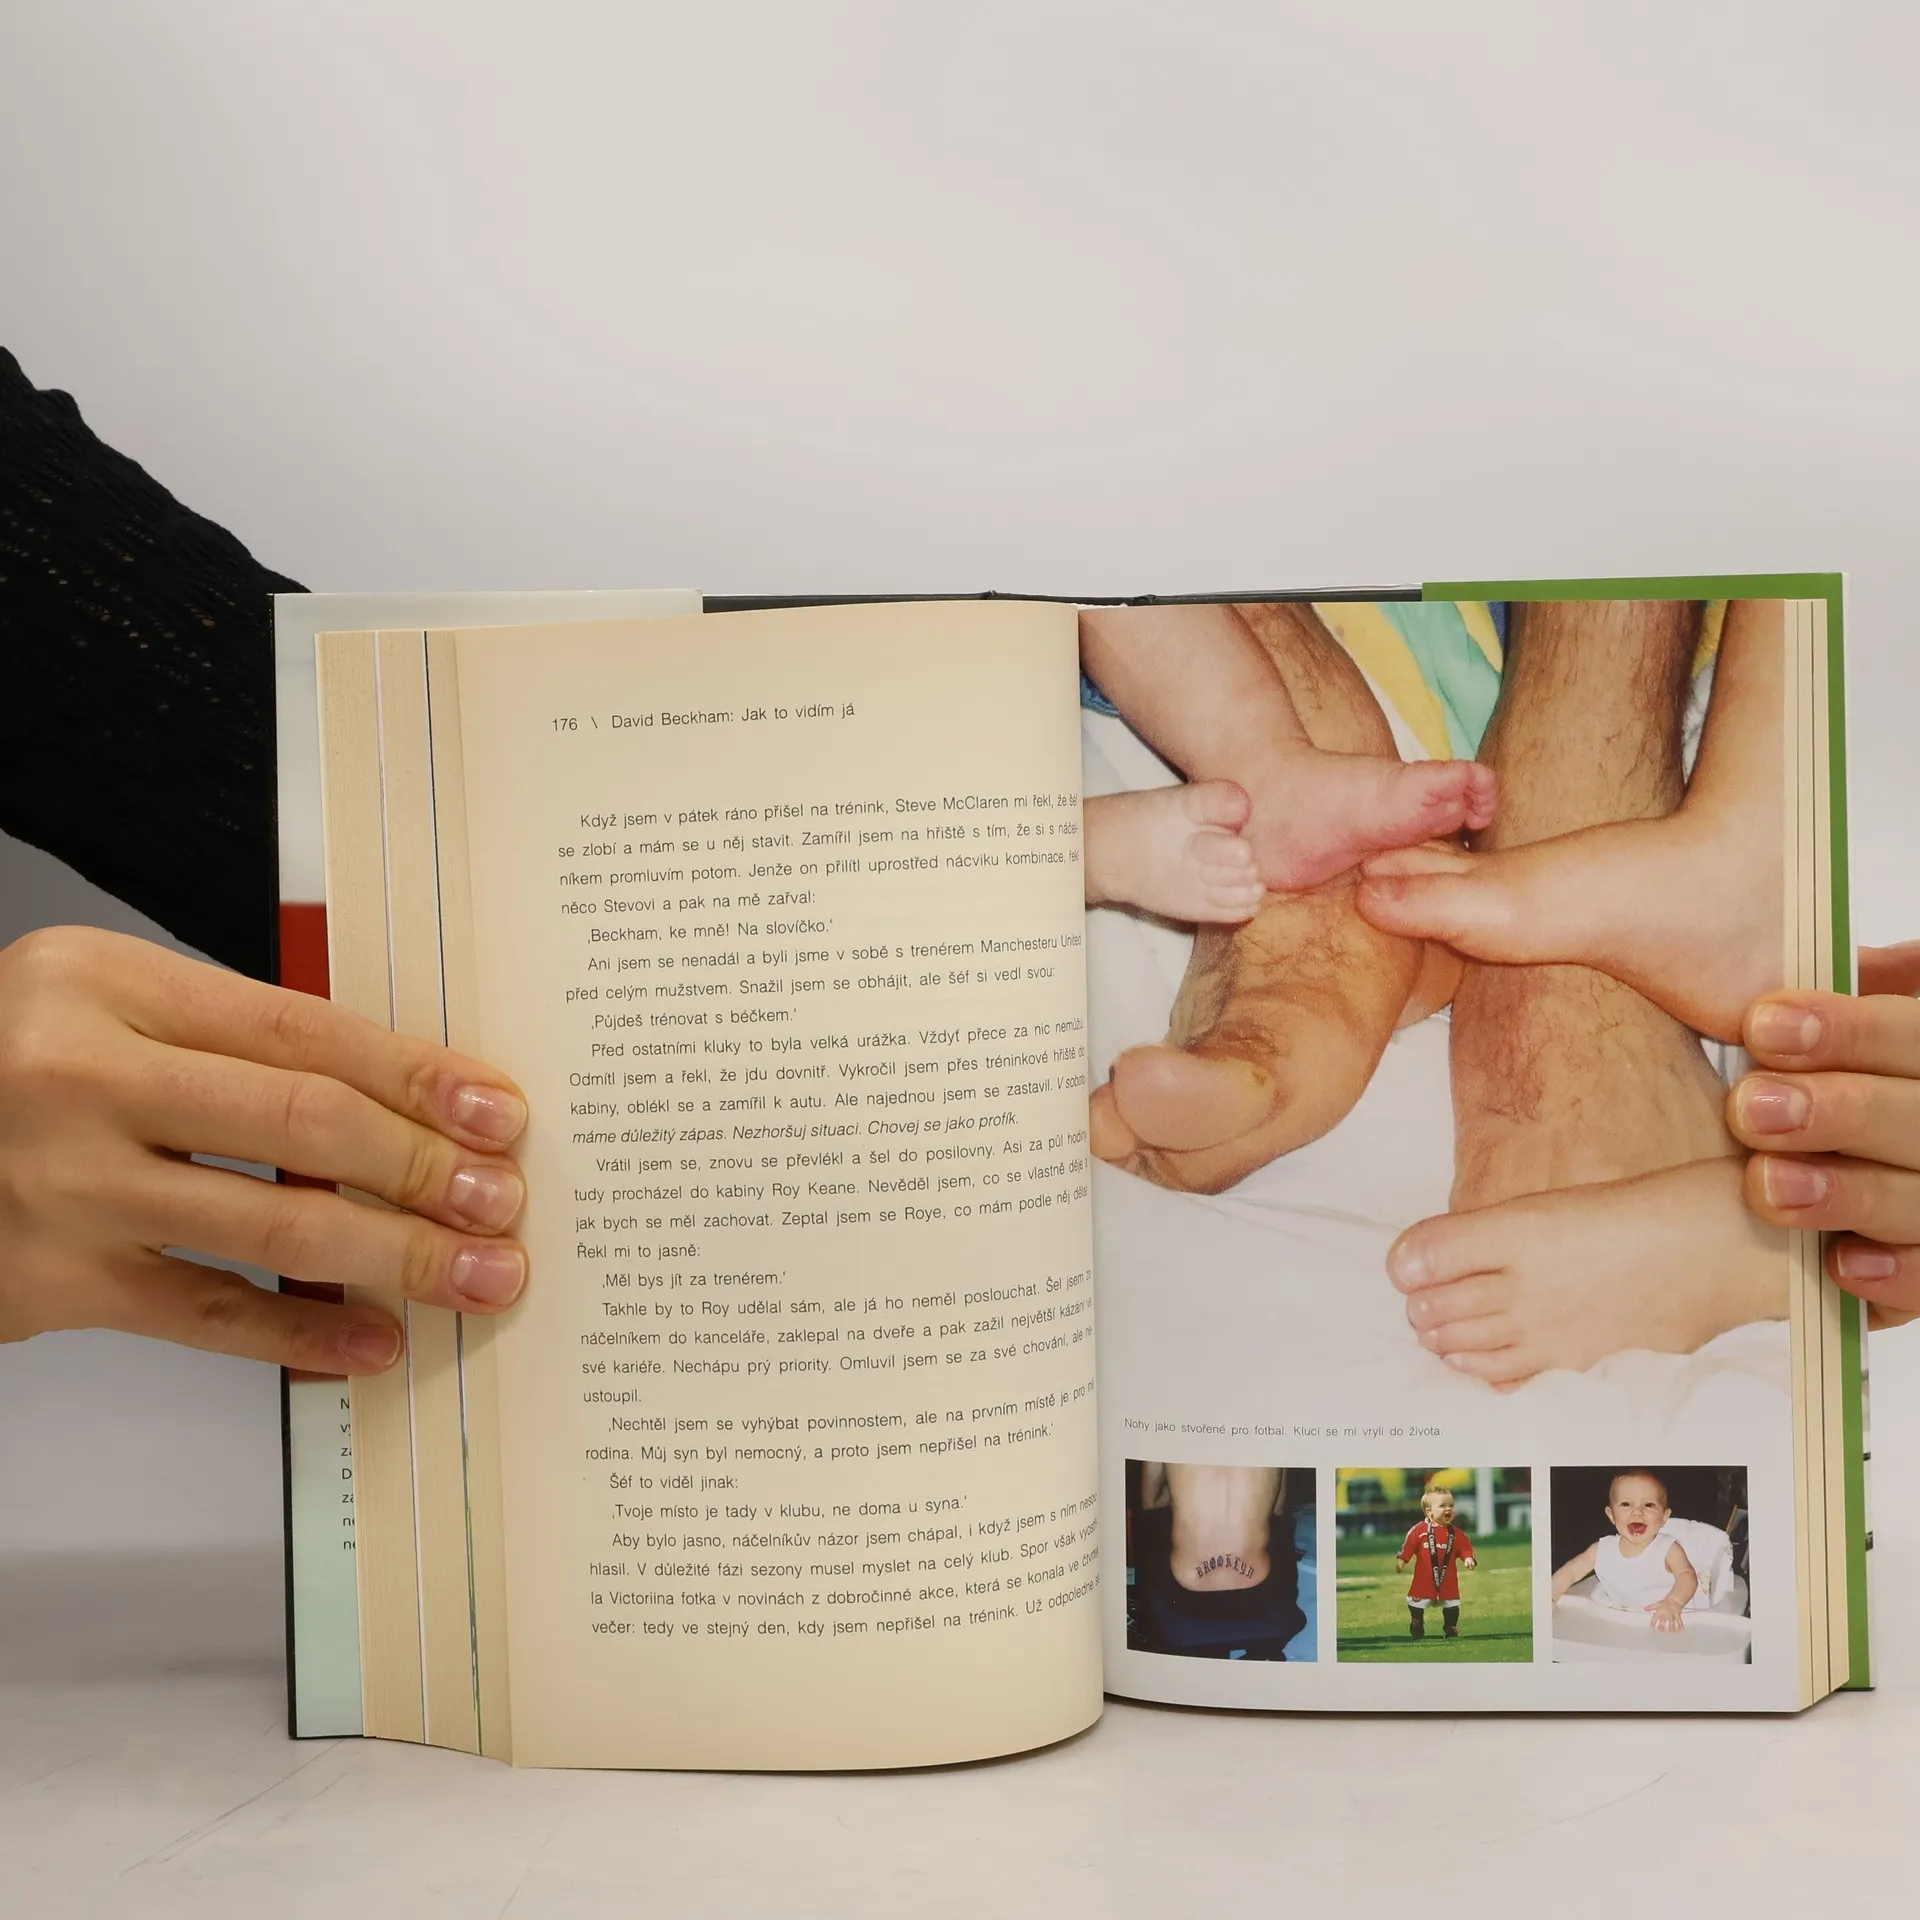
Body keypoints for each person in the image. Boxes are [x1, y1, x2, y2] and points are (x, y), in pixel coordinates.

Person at [1129, 1461, 1306, 1660]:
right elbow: (1277, 1508)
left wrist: (1183, 1494)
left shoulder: (1163, 1440)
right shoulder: (1273, 1441)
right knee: (1279, 1525)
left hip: (1184, 1601)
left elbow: (1150, 1501)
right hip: (1259, 1596)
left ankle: (1185, 1633)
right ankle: (1264, 1632)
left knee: (1152, 1521)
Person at [1550, 1470, 1699, 1632]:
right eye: (1626, 1504)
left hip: (1662, 1622)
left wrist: (1674, 1602)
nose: (1637, 1512)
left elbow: (1687, 1576)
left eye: (1649, 1505)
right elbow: (1572, 1571)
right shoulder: (1602, 1549)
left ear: (1664, 1517)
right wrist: (1551, 1595)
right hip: (1617, 1621)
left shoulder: (1668, 1549)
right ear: (1611, 1515)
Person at [1396, 1483, 1476, 1638]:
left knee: (1452, 1605)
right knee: (1417, 1603)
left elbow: (1465, 1547)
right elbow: (1409, 1546)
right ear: (1429, 1512)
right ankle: (1416, 1621)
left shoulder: (1456, 1533)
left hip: (1447, 1580)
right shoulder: (1419, 1530)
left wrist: (1468, 1558)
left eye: (1451, 1505)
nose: (1448, 1509)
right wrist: (1402, 1560)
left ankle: (1450, 1626)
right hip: (1424, 1579)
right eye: (1443, 1506)